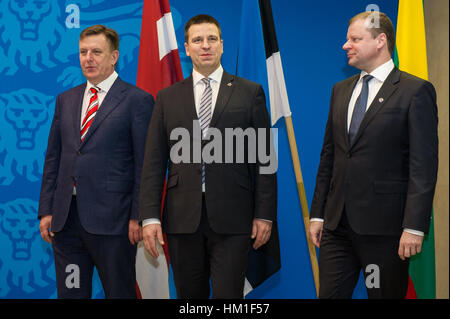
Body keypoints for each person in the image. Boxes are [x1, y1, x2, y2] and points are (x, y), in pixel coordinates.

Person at [139, 14, 277, 299]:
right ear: (187, 48)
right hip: (181, 219)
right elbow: (153, 162)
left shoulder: (250, 93)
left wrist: (264, 214)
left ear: (222, 45)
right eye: (197, 40)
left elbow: (265, 159)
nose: (206, 45)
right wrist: (150, 217)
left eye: (212, 39)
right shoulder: (167, 98)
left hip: (234, 217)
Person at [309, 11, 438, 299]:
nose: (346, 45)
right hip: (336, 227)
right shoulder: (340, 90)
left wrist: (415, 227)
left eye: (354, 39)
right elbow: (329, 155)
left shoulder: (414, 91)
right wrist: (317, 214)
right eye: (347, 39)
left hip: (385, 231)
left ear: (381, 41)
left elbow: (423, 166)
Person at [38, 25, 154, 298]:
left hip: (114, 223)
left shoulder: (137, 100)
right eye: (83, 52)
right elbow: (54, 158)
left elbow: (144, 165)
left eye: (96, 52)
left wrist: (138, 215)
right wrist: (46, 209)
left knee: (119, 293)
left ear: (114, 56)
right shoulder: (65, 100)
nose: (88, 58)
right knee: (71, 293)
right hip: (66, 222)